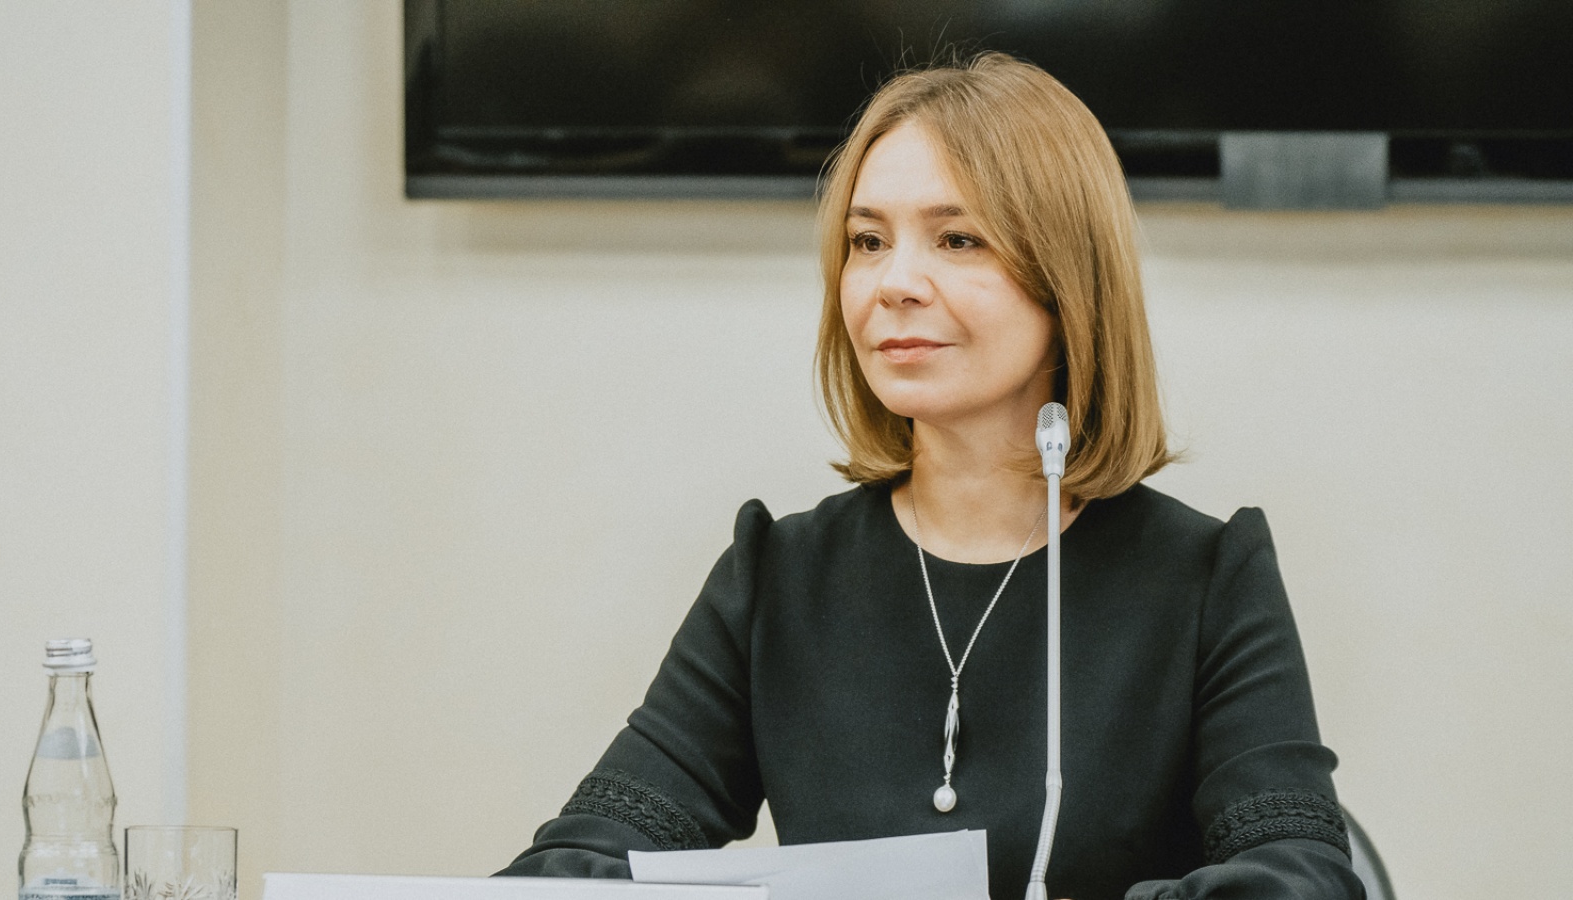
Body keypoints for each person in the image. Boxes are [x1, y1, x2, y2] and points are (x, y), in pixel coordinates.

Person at [497, 53, 1360, 900]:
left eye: (957, 239)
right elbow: (572, 869)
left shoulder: (1208, 578)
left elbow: (1302, 879)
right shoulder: (778, 577)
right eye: (867, 241)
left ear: (1067, 279)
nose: (895, 283)